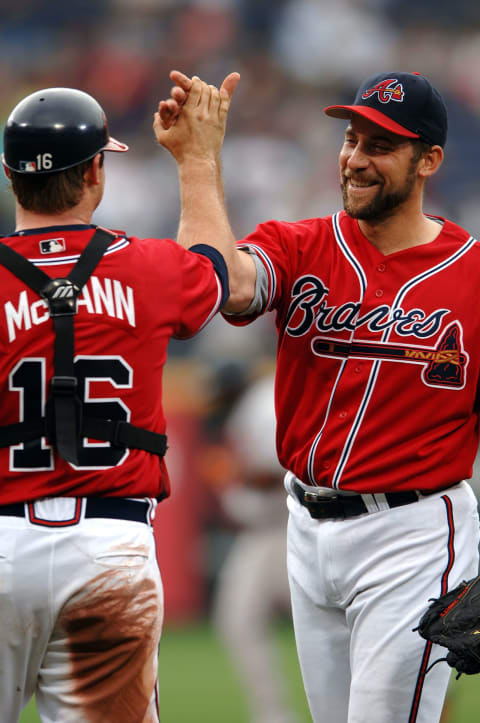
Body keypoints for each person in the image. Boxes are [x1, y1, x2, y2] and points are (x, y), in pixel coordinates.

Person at [154, 70, 480, 723]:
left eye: (380, 146)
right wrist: (197, 161)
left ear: (429, 161)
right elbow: (214, 284)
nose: (356, 158)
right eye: (351, 138)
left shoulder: (471, 273)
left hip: (413, 533)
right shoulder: (299, 245)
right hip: (303, 531)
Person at [0, 86, 230, 722]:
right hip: (108, 545)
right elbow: (217, 269)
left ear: (10, 174)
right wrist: (196, 161)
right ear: (96, 169)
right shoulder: (149, 267)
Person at [210, 371, 297, 723]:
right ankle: (274, 716)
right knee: (238, 620)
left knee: (338, 626)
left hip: (287, 531)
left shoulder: (262, 406)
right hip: (264, 535)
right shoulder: (255, 404)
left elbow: (288, 470)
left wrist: (236, 475)